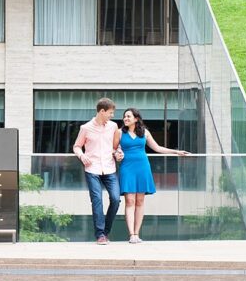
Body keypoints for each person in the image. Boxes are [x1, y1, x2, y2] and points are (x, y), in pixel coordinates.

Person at [113, 108, 190, 243]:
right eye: (124, 117)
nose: (125, 119)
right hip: (127, 168)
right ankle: (131, 234)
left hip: (143, 167)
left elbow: (158, 148)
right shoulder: (119, 132)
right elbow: (113, 149)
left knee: (140, 201)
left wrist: (176, 152)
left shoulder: (145, 132)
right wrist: (117, 154)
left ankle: (137, 233)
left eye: (128, 116)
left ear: (136, 118)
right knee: (130, 200)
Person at [73, 98, 123, 245]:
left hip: (109, 168)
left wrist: (118, 153)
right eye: (110, 113)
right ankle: (100, 235)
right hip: (92, 169)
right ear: (102, 111)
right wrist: (82, 156)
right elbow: (76, 146)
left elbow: (115, 146)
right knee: (97, 201)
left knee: (115, 199)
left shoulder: (113, 126)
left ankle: (105, 231)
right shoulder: (86, 128)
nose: (112, 116)